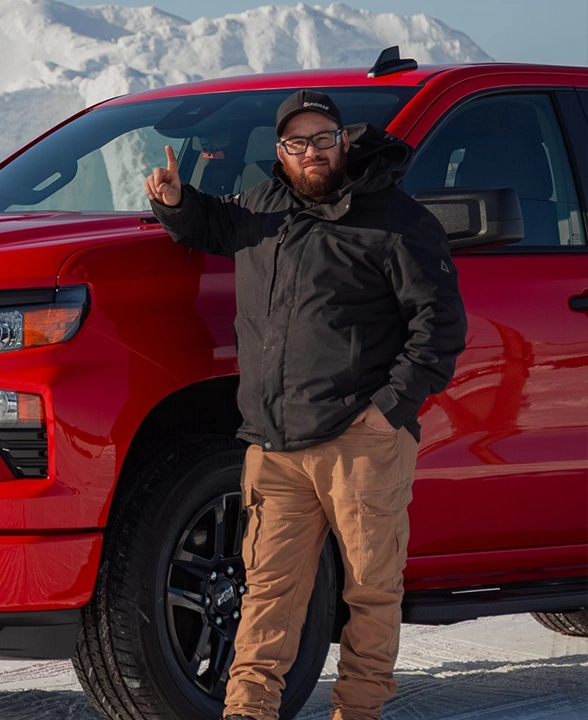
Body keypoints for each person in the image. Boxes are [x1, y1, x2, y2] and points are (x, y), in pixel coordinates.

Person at [144, 90, 467, 720]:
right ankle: (249, 712)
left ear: (344, 142)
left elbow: (440, 323)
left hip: (360, 442)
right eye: (298, 142)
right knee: (267, 592)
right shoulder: (263, 207)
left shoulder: (395, 220)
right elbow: (212, 225)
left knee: (371, 592)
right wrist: (175, 203)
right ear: (281, 153)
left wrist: (390, 406)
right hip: (274, 444)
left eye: (324, 138)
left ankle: (359, 711)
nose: (312, 152)